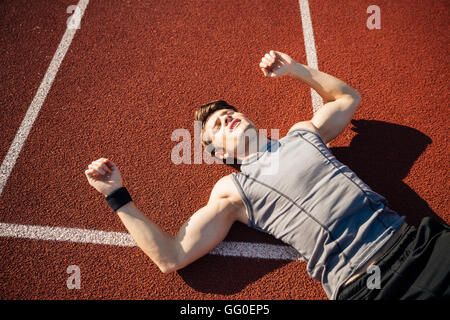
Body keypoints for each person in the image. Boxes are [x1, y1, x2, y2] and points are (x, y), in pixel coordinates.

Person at [85, 51, 449, 300]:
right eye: (216, 125)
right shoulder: (233, 190)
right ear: (222, 153)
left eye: (229, 112)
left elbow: (347, 100)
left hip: (415, 242)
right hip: (368, 287)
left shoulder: (303, 133)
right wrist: (116, 195)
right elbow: (171, 256)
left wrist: (296, 70)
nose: (227, 117)